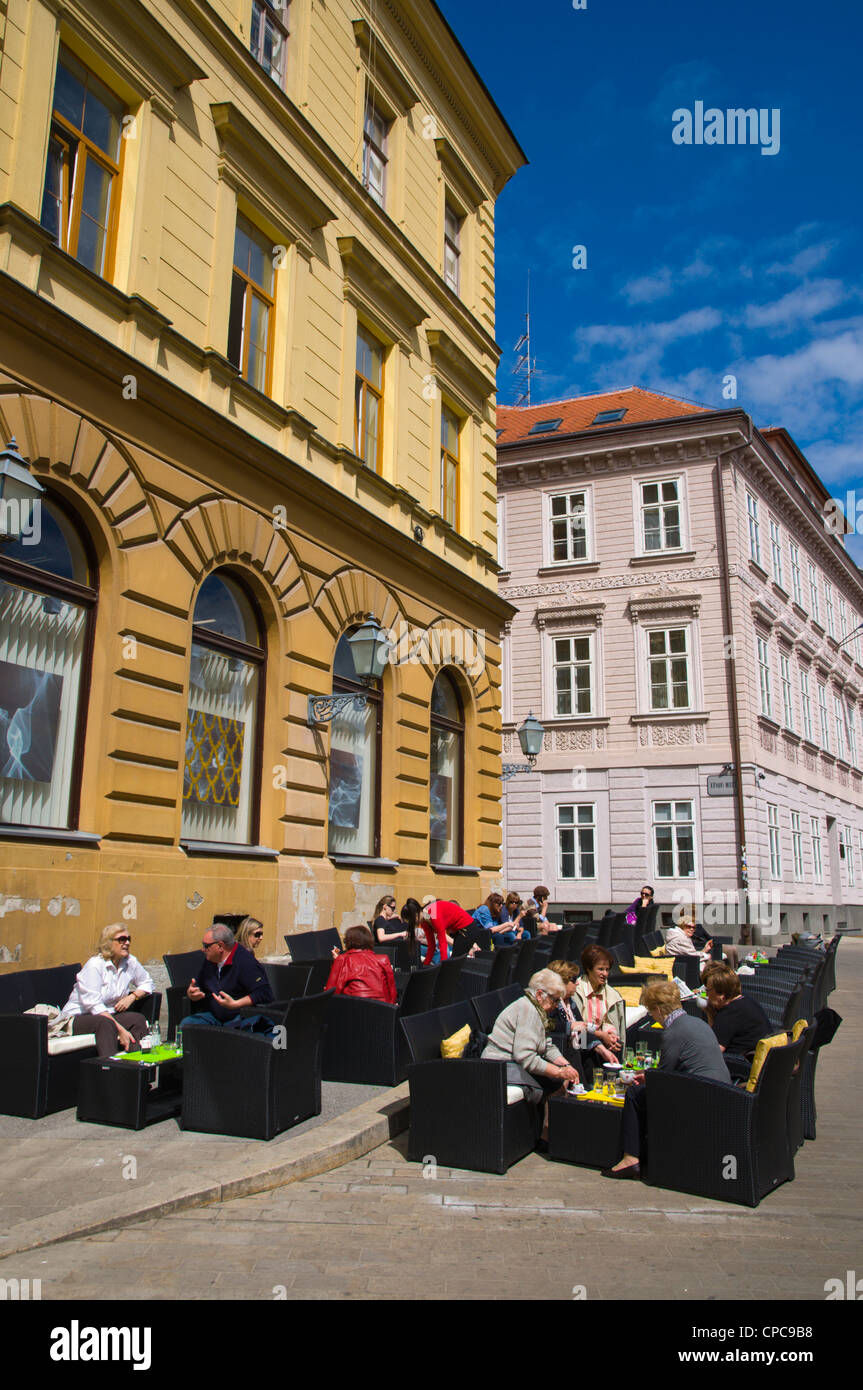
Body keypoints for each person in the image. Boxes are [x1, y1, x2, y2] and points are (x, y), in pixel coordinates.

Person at [603, 978, 730, 1179]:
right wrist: (650, 1075)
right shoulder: (697, 1022)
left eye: (651, 1012)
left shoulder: (673, 1033)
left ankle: (631, 1157)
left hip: (702, 1099)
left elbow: (664, 1080)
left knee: (635, 1094)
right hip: (721, 1092)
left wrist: (645, 1079)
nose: (653, 1016)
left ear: (660, 1010)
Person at [481, 969, 580, 1138]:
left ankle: (547, 1132)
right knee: (556, 1083)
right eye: (555, 1000)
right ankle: (546, 1135)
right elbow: (525, 1057)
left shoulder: (537, 1009)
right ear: (540, 994)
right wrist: (559, 1072)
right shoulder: (529, 1011)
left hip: (514, 1063)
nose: (557, 1005)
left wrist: (565, 1064)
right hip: (499, 1066)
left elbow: (546, 1044)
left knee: (560, 1081)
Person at [60, 924, 154, 1057]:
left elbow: (147, 982)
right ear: (108, 943)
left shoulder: (129, 962)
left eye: (128, 939)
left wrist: (132, 997)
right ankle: (109, 1070)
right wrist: (120, 1029)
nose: (127, 943)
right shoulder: (95, 965)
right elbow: (94, 1005)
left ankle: (137, 1065)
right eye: (121, 939)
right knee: (105, 1023)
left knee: (137, 1019)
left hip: (108, 1015)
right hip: (78, 1017)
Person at [182, 922, 274, 1030]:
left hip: (238, 1018)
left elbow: (264, 993)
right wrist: (192, 993)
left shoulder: (245, 962)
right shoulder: (210, 960)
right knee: (187, 1025)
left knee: (228, 1034)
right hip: (214, 1016)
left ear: (220, 946)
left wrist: (236, 1004)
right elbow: (199, 984)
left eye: (206, 946)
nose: (203, 949)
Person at [547, 959, 619, 1069]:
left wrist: (602, 1050)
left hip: (576, 1053)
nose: (577, 983)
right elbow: (547, 1025)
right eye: (573, 980)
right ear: (561, 982)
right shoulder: (550, 1004)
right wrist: (570, 1026)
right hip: (559, 1058)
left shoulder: (570, 1003)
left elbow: (583, 1035)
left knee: (594, 1053)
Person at [703, 964, 772, 1056]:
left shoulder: (728, 1014)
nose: (706, 994)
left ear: (721, 995)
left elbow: (713, 1052)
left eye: (708, 990)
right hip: (762, 1057)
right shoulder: (745, 1000)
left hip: (740, 1064)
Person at [572, 945, 625, 1054]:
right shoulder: (575, 992)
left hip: (604, 1044)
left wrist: (610, 1034)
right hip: (580, 1045)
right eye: (600, 969)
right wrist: (600, 1036)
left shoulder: (612, 995)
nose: (605, 974)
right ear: (588, 969)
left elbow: (609, 1022)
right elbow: (576, 1027)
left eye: (607, 969)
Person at [326, 925, 397, 1003]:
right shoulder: (383, 959)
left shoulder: (343, 960)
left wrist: (337, 961)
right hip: (383, 1009)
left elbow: (331, 992)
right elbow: (392, 991)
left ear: (348, 942)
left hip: (354, 1009)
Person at [420, 898, 475, 965]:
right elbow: (432, 945)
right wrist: (425, 965)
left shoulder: (435, 917)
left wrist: (444, 966)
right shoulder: (425, 923)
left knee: (455, 962)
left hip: (466, 929)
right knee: (454, 961)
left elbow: (443, 943)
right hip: (460, 932)